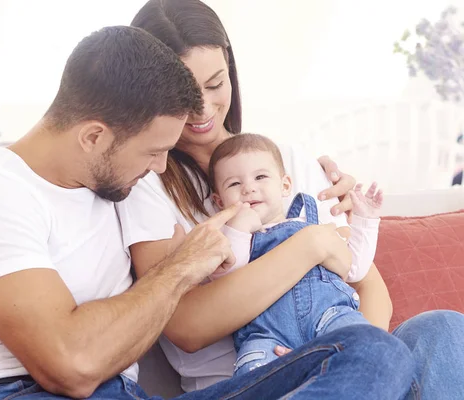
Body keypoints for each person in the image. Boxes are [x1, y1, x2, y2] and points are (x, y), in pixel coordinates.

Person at [0, 25, 415, 400]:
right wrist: (183, 265)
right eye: (154, 151)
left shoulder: (103, 184)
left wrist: (319, 200)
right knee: (374, 355)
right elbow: (71, 364)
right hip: (19, 393)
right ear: (94, 136)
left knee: (415, 339)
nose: (161, 166)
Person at [119, 0, 464, 398]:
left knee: (444, 328)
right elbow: (187, 327)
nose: (202, 108)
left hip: (347, 363)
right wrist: (310, 244)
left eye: (215, 84)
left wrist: (359, 362)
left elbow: (366, 284)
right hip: (250, 379)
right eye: (182, 93)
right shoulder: (145, 185)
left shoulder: (288, 162)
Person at [207, 133, 383, 374]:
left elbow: (354, 269)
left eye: (260, 177)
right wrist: (237, 227)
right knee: (252, 375)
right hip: (267, 338)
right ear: (219, 201)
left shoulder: (314, 225)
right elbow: (226, 282)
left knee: (368, 347)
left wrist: (365, 220)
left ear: (285, 185)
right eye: (234, 184)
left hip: (331, 318)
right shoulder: (233, 241)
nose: (249, 188)